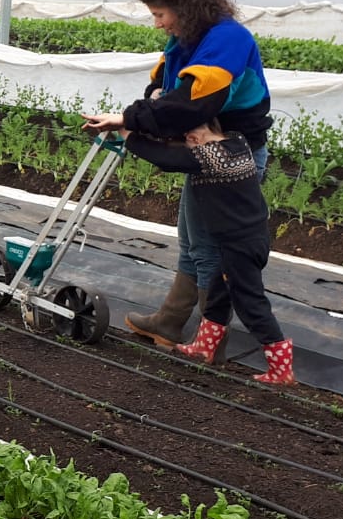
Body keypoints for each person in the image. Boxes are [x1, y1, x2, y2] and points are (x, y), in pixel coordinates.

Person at [83, 0, 272, 348]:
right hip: (205, 151)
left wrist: (130, 122)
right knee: (191, 241)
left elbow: (190, 104)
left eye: (159, 13)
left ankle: (210, 340)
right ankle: (170, 322)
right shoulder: (185, 42)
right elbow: (161, 89)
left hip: (230, 160)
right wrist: (139, 114)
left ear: (184, 7)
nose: (157, 23)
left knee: (207, 248)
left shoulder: (228, 40)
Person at [117, 119, 294, 384]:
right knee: (219, 295)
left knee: (251, 305)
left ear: (196, 140)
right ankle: (204, 347)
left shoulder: (211, 158)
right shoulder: (237, 142)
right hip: (250, 240)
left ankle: (282, 369)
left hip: (240, 248)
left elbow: (166, 159)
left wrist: (128, 135)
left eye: (188, 138)